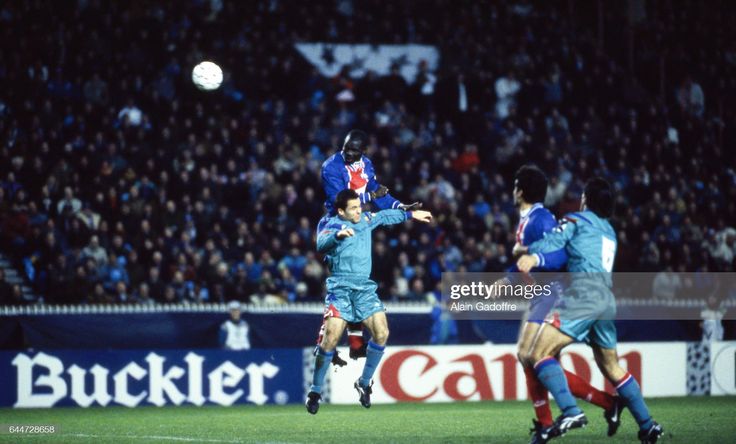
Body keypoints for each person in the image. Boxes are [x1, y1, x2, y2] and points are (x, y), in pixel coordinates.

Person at [515, 178, 663, 443]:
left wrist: (531, 254)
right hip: (606, 299)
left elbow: (554, 242)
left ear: (586, 199)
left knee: (538, 354)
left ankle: (571, 412)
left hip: (583, 294)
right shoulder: (609, 231)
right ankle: (648, 425)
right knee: (612, 367)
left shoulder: (576, 221)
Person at [498, 166, 619, 443]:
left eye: (516, 185)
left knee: (531, 356)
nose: (513, 190)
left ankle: (550, 421)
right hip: (541, 293)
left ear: (521, 190)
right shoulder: (530, 218)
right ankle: (606, 404)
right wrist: (507, 279)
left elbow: (558, 255)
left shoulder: (541, 219)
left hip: (551, 293)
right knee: (536, 360)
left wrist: (533, 267)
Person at [306, 189, 432, 414]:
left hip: (364, 288)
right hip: (340, 287)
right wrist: (338, 236)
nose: (359, 211)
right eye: (353, 208)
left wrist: (411, 215)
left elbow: (383, 216)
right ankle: (315, 390)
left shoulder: (364, 219)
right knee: (331, 337)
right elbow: (321, 243)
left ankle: (364, 382)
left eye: (359, 206)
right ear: (341, 211)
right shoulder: (331, 224)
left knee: (382, 333)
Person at [316, 129, 421, 366]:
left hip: (359, 223)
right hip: (337, 223)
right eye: (346, 149)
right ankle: (324, 343)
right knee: (342, 282)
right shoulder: (331, 167)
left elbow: (379, 195)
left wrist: (401, 207)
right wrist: (370, 196)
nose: (349, 154)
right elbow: (339, 201)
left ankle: (354, 344)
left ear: (363, 151)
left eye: (354, 151)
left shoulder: (366, 164)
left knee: (356, 282)